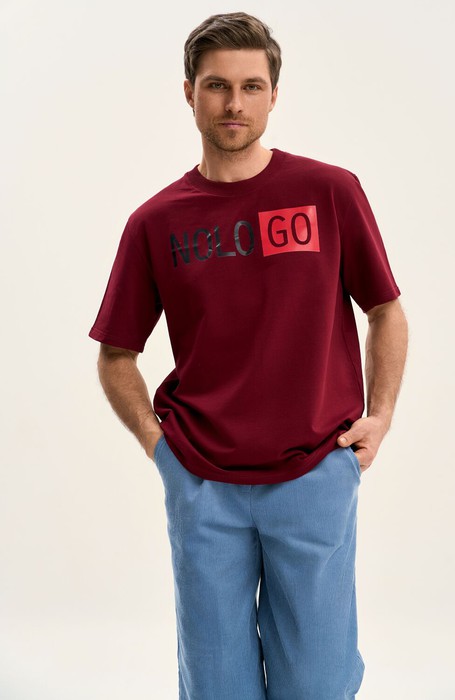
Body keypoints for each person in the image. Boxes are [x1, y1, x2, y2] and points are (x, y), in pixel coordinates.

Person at [89, 11, 408, 700]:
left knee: (318, 684)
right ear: (189, 93)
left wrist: (379, 416)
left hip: (314, 470)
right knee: (216, 687)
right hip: (202, 480)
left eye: (251, 86)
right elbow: (116, 354)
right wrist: (159, 449)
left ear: (273, 95)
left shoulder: (329, 192)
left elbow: (385, 309)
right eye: (217, 85)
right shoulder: (155, 221)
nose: (234, 103)